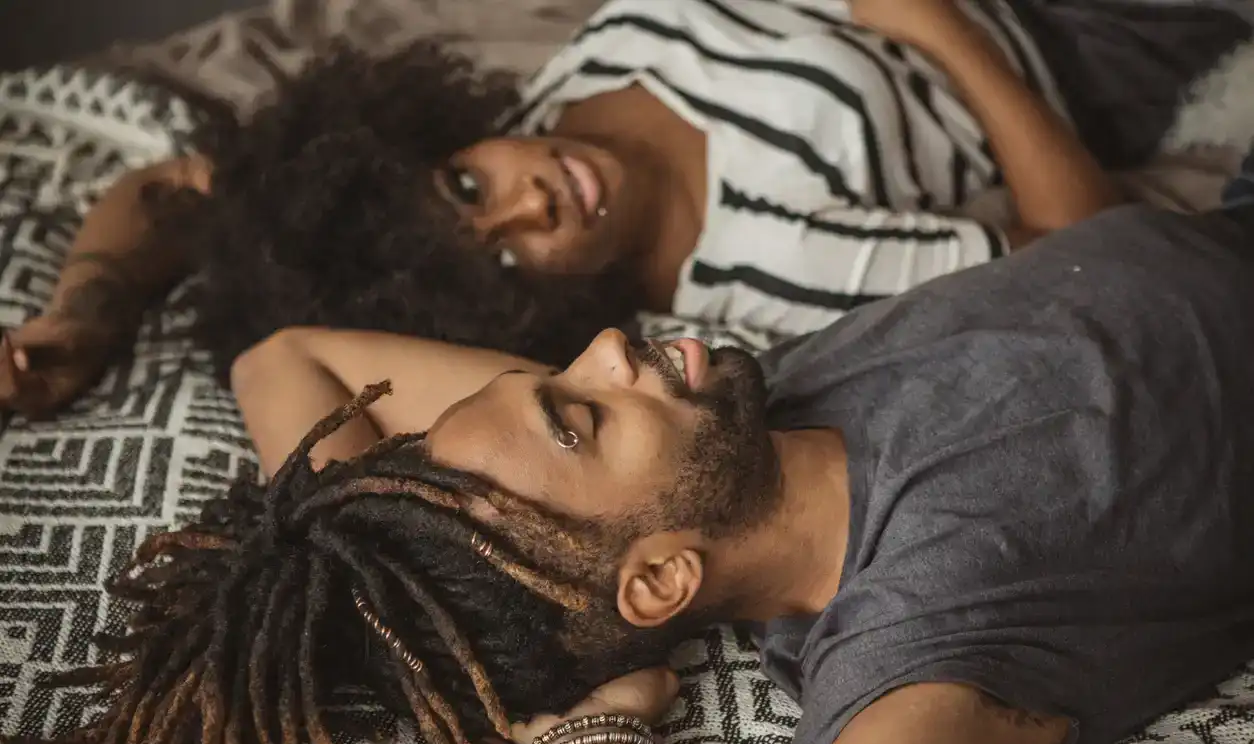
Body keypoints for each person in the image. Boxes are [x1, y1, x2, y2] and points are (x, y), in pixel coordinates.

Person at [10, 152, 1254, 744]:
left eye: (562, 377)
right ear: (658, 578)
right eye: (580, 411)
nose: (610, 346)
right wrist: (589, 743)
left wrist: (380, 570)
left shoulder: (725, 429)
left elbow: (286, 359)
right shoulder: (932, 637)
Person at [1, 0, 1248, 418]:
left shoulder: (556, 85)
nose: (533, 197)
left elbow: (179, 189)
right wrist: (935, 23)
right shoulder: (759, 259)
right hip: (1068, 41)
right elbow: (1098, 246)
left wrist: (86, 316)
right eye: (511, 256)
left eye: (468, 185)